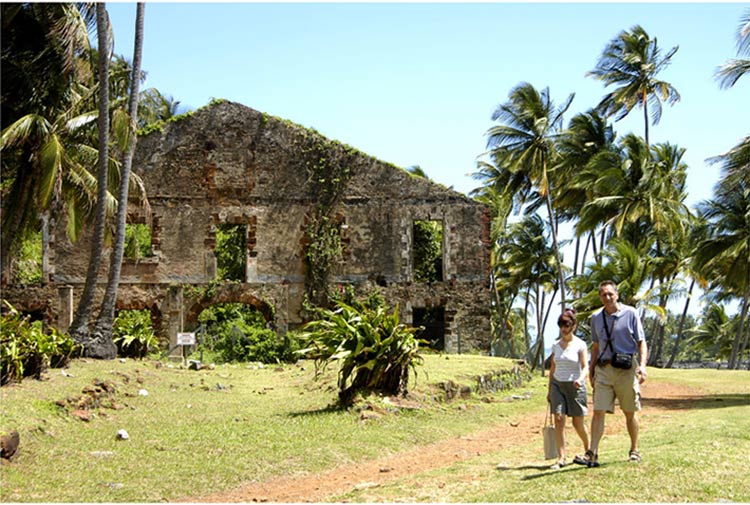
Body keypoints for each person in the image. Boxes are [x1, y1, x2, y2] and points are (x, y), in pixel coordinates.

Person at [586, 280, 648, 468]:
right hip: (604, 369)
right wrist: (591, 369)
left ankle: (634, 449)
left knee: (630, 411)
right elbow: (596, 346)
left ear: (617, 295)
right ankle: (593, 452)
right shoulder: (596, 318)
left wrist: (643, 366)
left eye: (610, 294)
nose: (607, 298)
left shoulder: (630, 313)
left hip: (626, 369)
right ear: (600, 297)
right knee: (598, 412)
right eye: (604, 294)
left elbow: (641, 341)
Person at [546, 308, 590, 470]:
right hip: (558, 384)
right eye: (561, 325)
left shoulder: (580, 345)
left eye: (567, 325)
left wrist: (580, 379)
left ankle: (589, 450)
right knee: (559, 419)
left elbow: (585, 366)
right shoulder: (555, 345)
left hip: (575, 386)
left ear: (573, 326)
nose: (564, 329)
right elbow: (552, 368)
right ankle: (561, 457)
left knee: (578, 422)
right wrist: (550, 390)